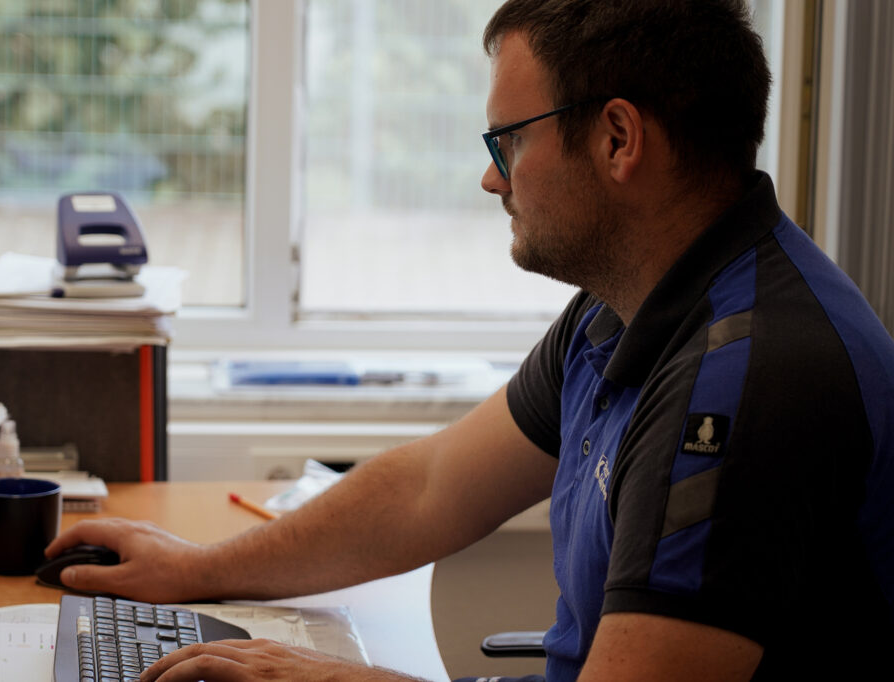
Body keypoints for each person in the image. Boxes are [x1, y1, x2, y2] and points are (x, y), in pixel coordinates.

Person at [47, 0, 894, 680]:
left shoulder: (755, 383)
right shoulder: (630, 304)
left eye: (510, 140)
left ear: (617, 139)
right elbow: (432, 487)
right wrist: (194, 569)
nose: (491, 175)